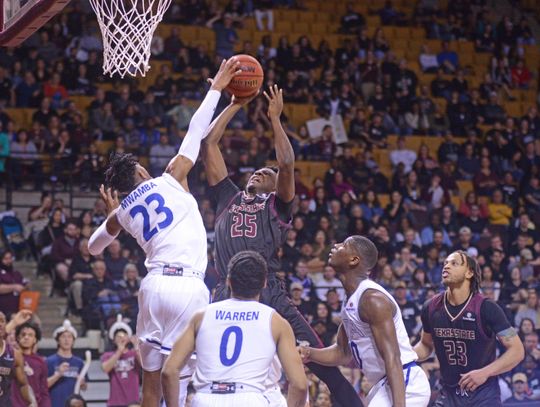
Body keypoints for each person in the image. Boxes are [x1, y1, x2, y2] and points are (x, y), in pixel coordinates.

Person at [88, 57, 241, 407]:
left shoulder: (123, 211)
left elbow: (94, 248)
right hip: (187, 287)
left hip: (153, 289)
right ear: (142, 171)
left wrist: (113, 217)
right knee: (188, 380)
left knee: (152, 381)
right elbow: (195, 130)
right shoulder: (172, 176)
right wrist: (217, 88)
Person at [203, 86, 362, 406]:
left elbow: (287, 163)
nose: (263, 171)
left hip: (269, 292)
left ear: (277, 189)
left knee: (323, 366)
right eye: (259, 170)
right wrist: (235, 104)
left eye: (269, 173)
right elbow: (208, 143)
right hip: (226, 291)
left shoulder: (277, 209)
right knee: (219, 371)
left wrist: (275, 119)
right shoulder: (227, 196)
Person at [161, 251, 308, 407]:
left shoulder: (201, 315)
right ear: (264, 282)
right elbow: (299, 385)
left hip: (206, 398)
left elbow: (169, 371)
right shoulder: (276, 321)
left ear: (228, 281)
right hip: (250, 399)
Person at [299, 235, 431, 407]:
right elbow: (342, 352)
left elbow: (393, 357)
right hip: (384, 384)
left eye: (343, 245)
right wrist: (308, 353)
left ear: (354, 260)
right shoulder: (350, 300)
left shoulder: (372, 299)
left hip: (405, 382)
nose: (336, 245)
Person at [413, 251, 524, 406]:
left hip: (483, 394)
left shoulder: (487, 307)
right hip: (449, 394)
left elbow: (517, 350)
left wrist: (485, 373)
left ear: (469, 272)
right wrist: (406, 354)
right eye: (445, 263)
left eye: (454, 263)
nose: (446, 266)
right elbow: (425, 345)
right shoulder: (430, 307)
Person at [101, 316, 141, 407]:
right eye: (118, 337)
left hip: (133, 402)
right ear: (113, 340)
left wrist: (136, 347)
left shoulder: (134, 354)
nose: (121, 339)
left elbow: (144, 365)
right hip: (115, 402)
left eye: (124, 336)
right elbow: (105, 368)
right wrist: (119, 351)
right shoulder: (108, 355)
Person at [0, 311, 37, 407]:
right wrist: (14, 323)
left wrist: (31, 402)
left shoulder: (14, 354)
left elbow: (23, 384)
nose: (0, 324)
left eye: (2, 321)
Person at [46, 320, 85, 407]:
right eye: (63, 337)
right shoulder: (49, 361)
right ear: (58, 340)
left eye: (69, 337)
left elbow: (84, 388)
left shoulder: (79, 362)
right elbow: (43, 385)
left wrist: (82, 383)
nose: (66, 340)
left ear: (73, 340)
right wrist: (58, 375)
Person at [12, 322, 50, 407]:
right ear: (18, 338)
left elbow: (44, 390)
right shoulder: (10, 358)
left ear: (35, 340)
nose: (26, 337)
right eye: (23, 334)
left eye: (30, 335)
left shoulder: (40, 362)